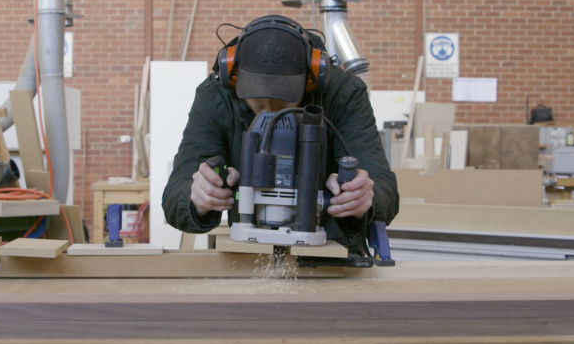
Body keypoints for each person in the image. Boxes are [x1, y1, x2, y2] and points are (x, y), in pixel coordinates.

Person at [162, 14, 399, 252]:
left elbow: (384, 188)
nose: (271, 111)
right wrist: (199, 198)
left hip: (331, 250)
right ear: (232, 74)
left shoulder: (343, 94)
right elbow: (175, 196)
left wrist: (363, 199)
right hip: (250, 252)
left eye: (283, 99)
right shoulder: (216, 96)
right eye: (257, 98)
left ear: (312, 77)